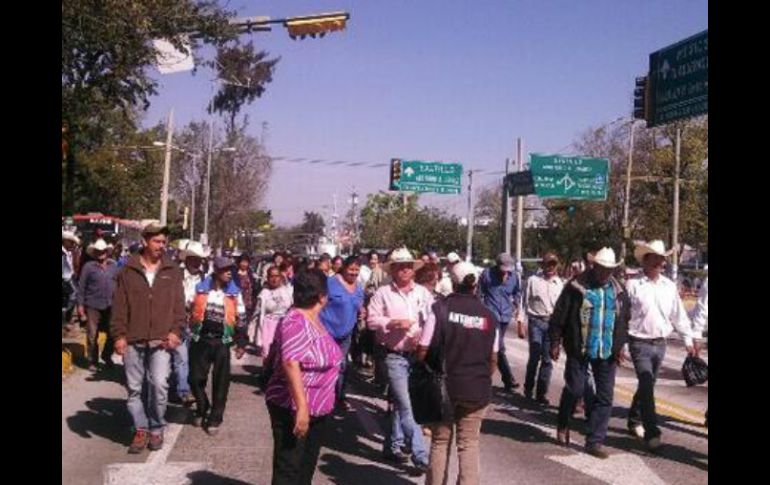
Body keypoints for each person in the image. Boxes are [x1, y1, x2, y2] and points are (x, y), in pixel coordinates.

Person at [418, 261, 497, 485]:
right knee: (469, 444)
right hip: (477, 389)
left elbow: (423, 349)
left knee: (440, 442)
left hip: (445, 387)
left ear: (452, 283)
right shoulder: (489, 316)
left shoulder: (440, 309)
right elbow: (493, 358)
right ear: (475, 284)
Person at [110, 221, 185, 453]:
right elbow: (119, 306)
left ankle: (156, 427)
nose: (161, 246)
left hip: (161, 340)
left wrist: (176, 331)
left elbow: (179, 307)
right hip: (133, 338)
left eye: (163, 242)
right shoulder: (128, 270)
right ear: (145, 241)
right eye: (156, 241)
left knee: (159, 385)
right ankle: (140, 428)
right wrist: (118, 335)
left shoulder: (172, 271)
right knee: (134, 389)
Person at [549, 247, 631, 459]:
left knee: (605, 397)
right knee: (575, 389)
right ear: (594, 266)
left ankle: (595, 441)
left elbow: (624, 320)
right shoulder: (576, 287)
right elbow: (559, 315)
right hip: (580, 347)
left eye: (609, 269)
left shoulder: (619, 291)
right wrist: (555, 342)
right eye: (602, 268)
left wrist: (620, 345)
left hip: (607, 350)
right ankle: (563, 421)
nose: (605, 272)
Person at [265, 268, 343, 485]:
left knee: (305, 468)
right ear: (322, 296)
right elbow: (291, 362)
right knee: (289, 468)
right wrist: (301, 408)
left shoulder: (313, 319)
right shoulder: (296, 321)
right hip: (293, 407)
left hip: (318, 407)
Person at [625, 240, 696, 451]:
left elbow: (678, 315)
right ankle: (652, 433)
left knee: (647, 384)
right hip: (639, 342)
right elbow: (623, 316)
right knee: (647, 384)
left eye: (661, 259)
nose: (660, 262)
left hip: (661, 343)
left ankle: (634, 418)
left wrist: (688, 339)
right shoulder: (633, 285)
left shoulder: (669, 286)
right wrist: (620, 344)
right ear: (646, 260)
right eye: (655, 258)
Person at [367, 247, 433, 473]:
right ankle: (420, 454)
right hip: (395, 355)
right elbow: (371, 320)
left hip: (418, 356)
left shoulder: (423, 293)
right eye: (400, 267)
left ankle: (392, 444)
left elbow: (432, 319)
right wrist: (392, 323)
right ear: (392, 270)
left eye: (408, 266)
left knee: (401, 402)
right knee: (406, 405)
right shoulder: (383, 293)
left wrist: (424, 335)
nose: (405, 270)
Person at [188, 256, 248, 435]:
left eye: (231, 270)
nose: (229, 273)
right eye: (225, 270)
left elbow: (241, 318)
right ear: (216, 271)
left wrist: (241, 342)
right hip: (201, 338)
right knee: (194, 378)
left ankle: (215, 417)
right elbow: (187, 307)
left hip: (222, 341)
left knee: (221, 381)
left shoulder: (234, 293)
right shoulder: (200, 288)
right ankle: (202, 406)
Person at [320, 255, 365, 411]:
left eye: (357, 270)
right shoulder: (330, 283)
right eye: (351, 269)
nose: (354, 273)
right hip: (327, 331)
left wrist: (362, 311)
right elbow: (319, 303)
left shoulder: (359, 287)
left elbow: (359, 304)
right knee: (327, 364)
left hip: (346, 334)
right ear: (344, 268)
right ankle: (324, 394)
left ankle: (339, 396)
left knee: (342, 365)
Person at [519, 252, 565, 405]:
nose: (550, 267)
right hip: (536, 322)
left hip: (551, 324)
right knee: (534, 357)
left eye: (553, 264)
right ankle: (528, 389)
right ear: (543, 265)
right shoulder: (533, 281)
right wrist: (520, 323)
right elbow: (523, 302)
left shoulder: (559, 284)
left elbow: (561, 309)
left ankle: (541, 393)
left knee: (547, 360)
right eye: (548, 264)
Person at [479, 253, 523, 393]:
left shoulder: (514, 277)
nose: (505, 272)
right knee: (498, 346)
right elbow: (480, 293)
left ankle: (498, 378)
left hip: (505, 316)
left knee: (495, 348)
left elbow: (517, 292)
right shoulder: (487, 274)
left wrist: (516, 305)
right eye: (503, 269)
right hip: (490, 315)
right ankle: (507, 379)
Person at [172, 241, 209, 406]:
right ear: (186, 259)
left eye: (198, 259)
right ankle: (183, 391)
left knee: (194, 359)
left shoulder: (204, 278)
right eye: (193, 259)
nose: (196, 262)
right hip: (178, 321)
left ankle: (186, 387)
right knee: (181, 357)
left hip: (197, 323)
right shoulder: (176, 275)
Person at [78, 239, 120, 371]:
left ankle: (106, 355)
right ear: (94, 252)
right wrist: (80, 307)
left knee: (113, 333)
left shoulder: (114, 266)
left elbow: (120, 284)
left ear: (107, 252)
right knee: (92, 335)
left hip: (111, 305)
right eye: (98, 251)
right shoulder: (88, 267)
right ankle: (93, 361)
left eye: (103, 251)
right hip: (92, 305)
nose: (101, 253)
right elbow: (81, 287)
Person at [255, 266, 294, 358]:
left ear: (281, 277)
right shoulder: (264, 293)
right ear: (267, 278)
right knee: (269, 355)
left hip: (284, 326)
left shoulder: (287, 291)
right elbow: (257, 315)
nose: (274, 279)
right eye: (271, 276)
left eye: (277, 276)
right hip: (268, 327)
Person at [62, 230, 81, 327]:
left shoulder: (68, 252)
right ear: (65, 241)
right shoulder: (63, 253)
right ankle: (65, 314)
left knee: (72, 296)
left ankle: (66, 316)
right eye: (70, 241)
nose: (72, 244)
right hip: (65, 278)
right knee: (74, 294)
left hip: (69, 277)